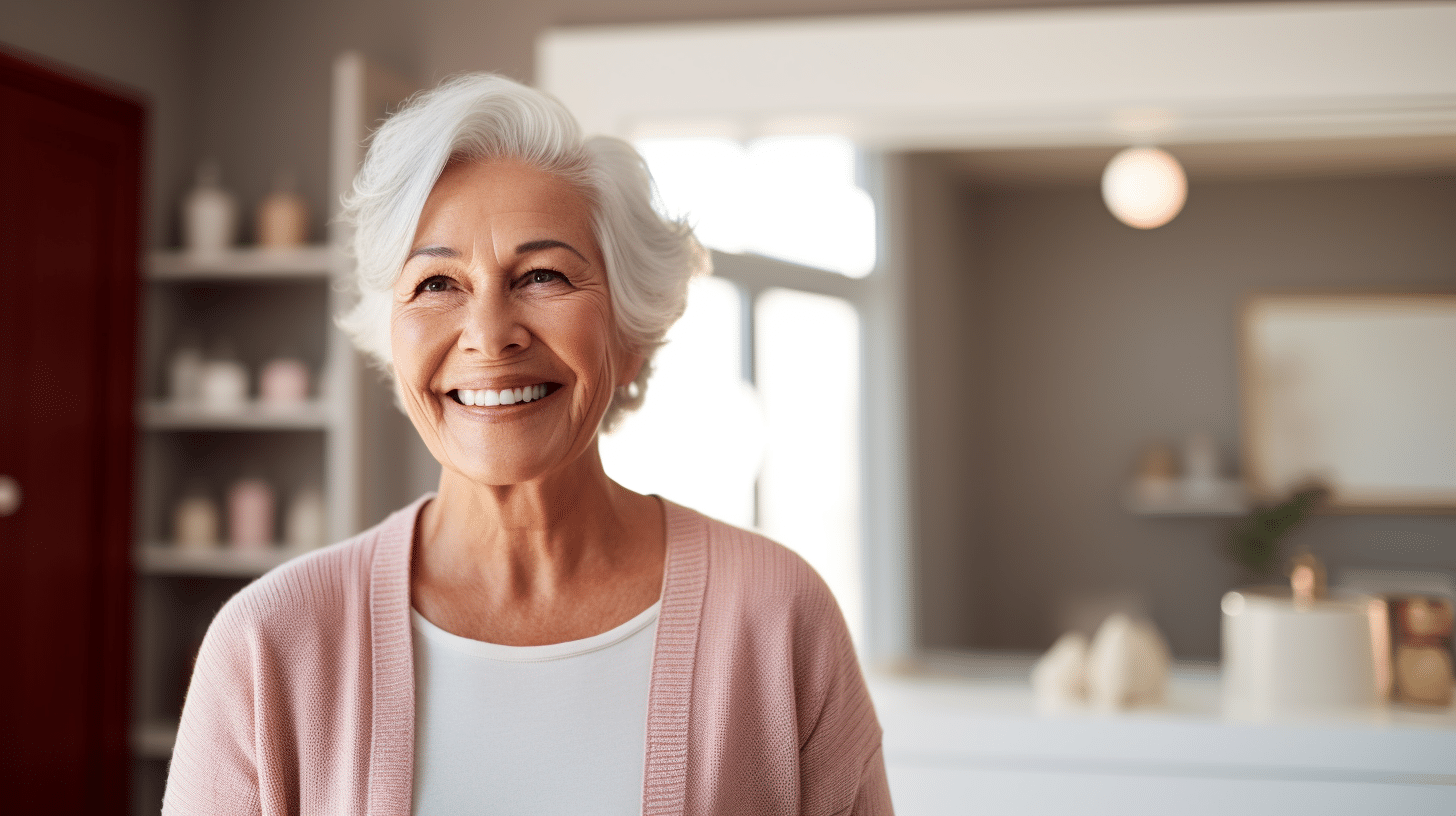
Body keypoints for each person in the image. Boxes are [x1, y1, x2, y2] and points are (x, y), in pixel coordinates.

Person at [163, 73, 891, 816]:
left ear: (629, 334)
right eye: (438, 284)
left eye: (542, 275)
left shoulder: (778, 616)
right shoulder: (266, 645)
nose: (488, 334)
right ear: (391, 337)